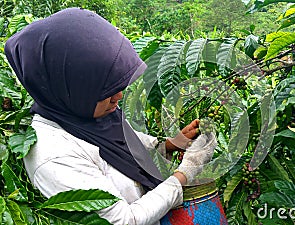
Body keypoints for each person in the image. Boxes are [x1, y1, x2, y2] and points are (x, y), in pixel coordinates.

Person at [4, 7, 217, 225]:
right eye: (104, 91)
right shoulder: (53, 157)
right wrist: (185, 173)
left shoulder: (86, 114)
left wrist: (172, 144)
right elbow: (124, 220)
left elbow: (127, 147)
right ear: (70, 87)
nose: (118, 96)